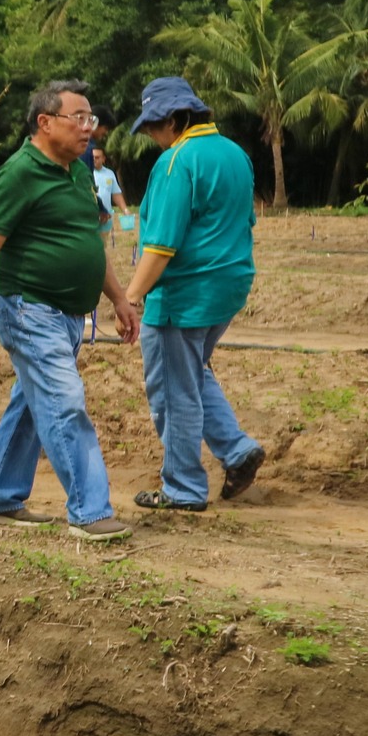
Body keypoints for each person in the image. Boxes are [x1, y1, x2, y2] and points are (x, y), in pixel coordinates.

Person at [0, 81, 137, 541]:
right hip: (29, 310)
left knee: (33, 406)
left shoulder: (77, 171)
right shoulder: (19, 172)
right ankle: (90, 510)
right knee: (64, 402)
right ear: (45, 122)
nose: (88, 128)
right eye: (79, 118)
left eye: (90, 119)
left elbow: (89, 241)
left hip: (69, 316)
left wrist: (118, 297)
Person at [123, 77, 265, 511]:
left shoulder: (177, 161)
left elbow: (161, 245)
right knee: (192, 372)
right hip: (229, 284)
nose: (150, 135)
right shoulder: (235, 153)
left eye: (152, 126)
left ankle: (183, 488)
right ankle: (237, 450)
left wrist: (130, 297)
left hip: (184, 294)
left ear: (176, 120)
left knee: (172, 387)